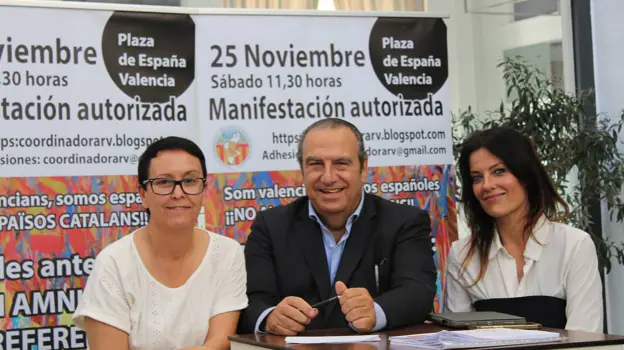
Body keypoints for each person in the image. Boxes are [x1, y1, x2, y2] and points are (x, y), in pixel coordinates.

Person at [237, 119, 437, 335]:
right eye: (315, 164)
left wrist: (376, 312)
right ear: (302, 170)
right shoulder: (270, 226)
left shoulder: (405, 221)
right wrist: (270, 317)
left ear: (363, 168)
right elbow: (249, 300)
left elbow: (418, 292)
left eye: (341, 163)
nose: (328, 177)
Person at [72, 136, 248, 350]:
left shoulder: (227, 253)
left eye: (190, 181)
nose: (178, 193)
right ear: (143, 194)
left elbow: (221, 342)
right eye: (164, 182)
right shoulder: (113, 263)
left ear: (204, 191)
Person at [445, 126, 603, 332]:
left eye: (498, 171)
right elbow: (457, 342)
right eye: (477, 177)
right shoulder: (462, 254)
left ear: (526, 175)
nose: (487, 185)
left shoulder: (574, 245)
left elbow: (585, 341)